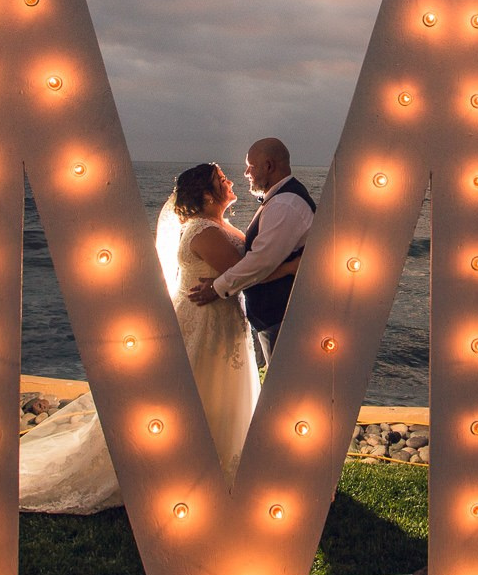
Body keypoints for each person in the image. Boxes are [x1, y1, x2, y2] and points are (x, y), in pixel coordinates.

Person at [17, 161, 283, 513]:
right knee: (200, 391)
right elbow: (245, 275)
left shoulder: (219, 225)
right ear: (206, 194)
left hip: (221, 320)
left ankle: (212, 464)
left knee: (215, 392)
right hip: (204, 324)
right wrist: (293, 266)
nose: (230, 181)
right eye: (222, 180)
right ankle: (188, 467)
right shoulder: (204, 232)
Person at [188, 137, 315, 372]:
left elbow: (259, 263)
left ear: (268, 166)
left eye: (251, 166)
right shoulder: (279, 200)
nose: (246, 173)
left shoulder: (285, 204)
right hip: (276, 319)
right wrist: (289, 267)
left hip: (284, 318)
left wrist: (217, 288)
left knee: (286, 391)